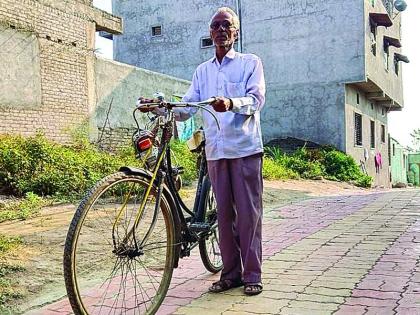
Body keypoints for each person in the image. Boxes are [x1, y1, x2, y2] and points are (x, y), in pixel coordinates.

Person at [139, 6, 265, 296]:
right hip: (216, 152)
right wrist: (159, 107)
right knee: (223, 216)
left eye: (226, 25)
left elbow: (256, 99)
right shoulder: (202, 71)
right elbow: (187, 107)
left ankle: (252, 274)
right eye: (216, 26)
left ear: (236, 32)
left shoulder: (250, 63)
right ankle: (230, 274)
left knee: (248, 215)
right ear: (210, 33)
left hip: (244, 149)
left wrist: (231, 103)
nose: (221, 30)